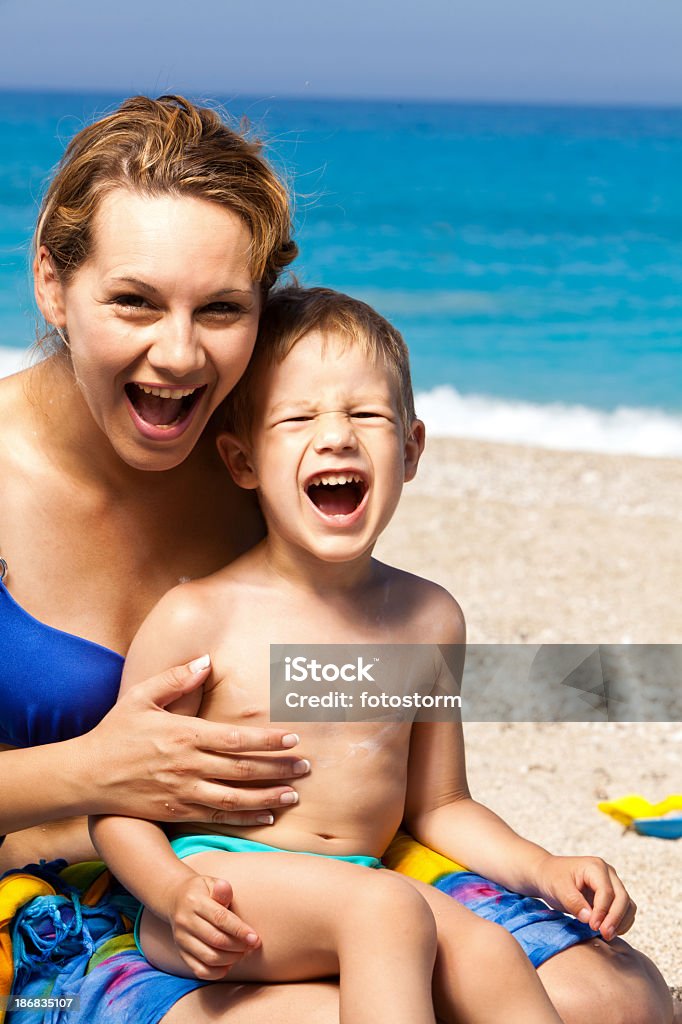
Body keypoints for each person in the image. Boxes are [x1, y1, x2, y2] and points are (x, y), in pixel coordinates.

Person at [0, 95, 673, 1024]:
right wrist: (94, 773)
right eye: (134, 301)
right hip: (80, 889)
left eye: (223, 308)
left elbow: (352, 717)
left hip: (320, 874)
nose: (180, 351)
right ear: (51, 283)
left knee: (615, 997)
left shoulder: (262, 468)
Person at [90, 287, 664, 1024]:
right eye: (298, 418)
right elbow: (114, 801)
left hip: (362, 878)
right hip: (216, 885)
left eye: (366, 414)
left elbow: (440, 804)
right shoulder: (202, 616)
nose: (336, 438)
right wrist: (172, 893)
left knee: (486, 950)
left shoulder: (426, 617)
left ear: (412, 449)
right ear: (242, 461)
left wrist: (543, 868)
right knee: (388, 912)